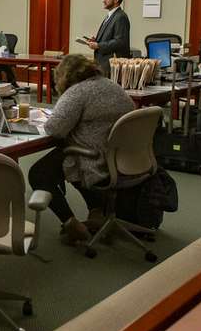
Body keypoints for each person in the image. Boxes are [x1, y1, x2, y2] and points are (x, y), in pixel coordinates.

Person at [28, 54, 134, 245]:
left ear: (64, 75)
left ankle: (71, 224)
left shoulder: (77, 92)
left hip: (95, 159)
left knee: (40, 172)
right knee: (66, 158)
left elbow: (54, 129)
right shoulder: (112, 86)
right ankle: (96, 212)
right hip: (124, 159)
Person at [82, 0, 130, 74]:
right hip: (102, 63)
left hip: (111, 65)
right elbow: (110, 38)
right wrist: (96, 41)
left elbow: (120, 42)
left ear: (116, 0)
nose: (103, 1)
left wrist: (98, 45)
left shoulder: (120, 17)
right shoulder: (110, 15)